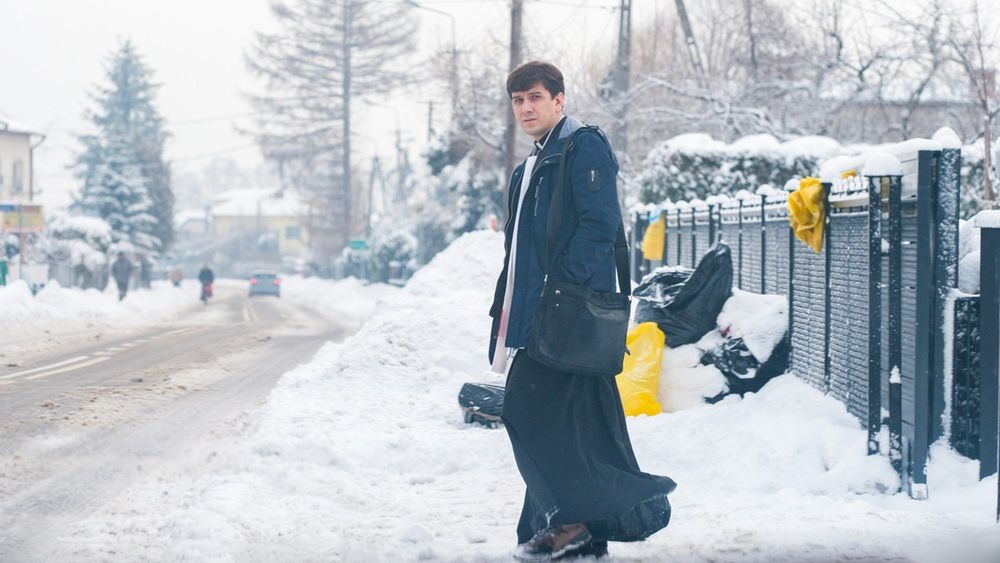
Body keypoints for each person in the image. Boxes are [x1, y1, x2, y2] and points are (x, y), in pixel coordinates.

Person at [488, 61, 676, 561]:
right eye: (517, 100)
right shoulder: (532, 164)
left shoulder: (581, 147)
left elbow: (599, 226)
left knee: (526, 413)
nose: (525, 108)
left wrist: (559, 288)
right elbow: (522, 249)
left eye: (534, 98)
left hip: (567, 315)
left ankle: (569, 521)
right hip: (540, 316)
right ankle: (579, 529)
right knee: (574, 425)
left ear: (559, 100)